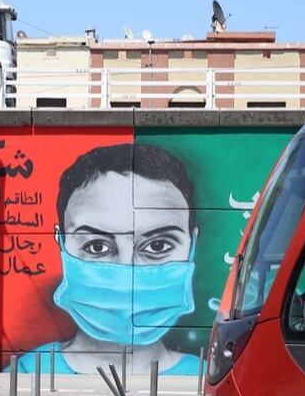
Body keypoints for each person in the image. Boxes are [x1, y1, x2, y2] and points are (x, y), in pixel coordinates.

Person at [15, 143, 203, 375]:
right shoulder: (26, 374)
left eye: (157, 245)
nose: (127, 268)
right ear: (61, 244)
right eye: (97, 246)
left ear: (192, 245)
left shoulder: (206, 380)